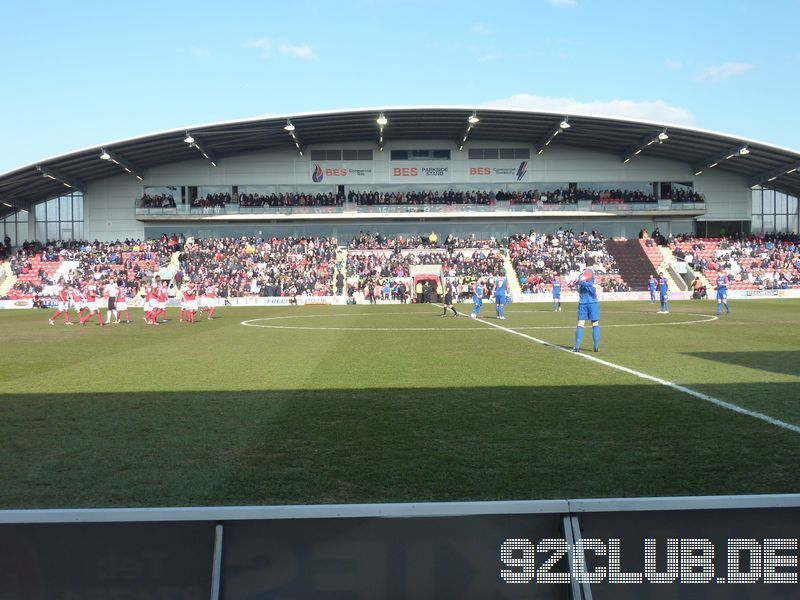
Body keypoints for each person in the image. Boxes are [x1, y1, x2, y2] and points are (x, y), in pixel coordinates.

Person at [573, 265, 600, 353]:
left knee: (581, 323)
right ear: (593, 265)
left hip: (583, 302)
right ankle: (595, 347)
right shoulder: (589, 272)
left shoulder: (582, 273)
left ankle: (577, 347)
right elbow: (581, 282)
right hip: (592, 302)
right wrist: (591, 284)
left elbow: (579, 281)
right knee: (595, 323)